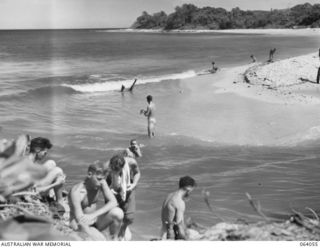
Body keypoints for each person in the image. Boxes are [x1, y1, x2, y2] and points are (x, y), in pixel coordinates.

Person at [68, 161, 123, 240]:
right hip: (79, 225)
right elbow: (80, 219)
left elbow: (114, 202)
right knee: (100, 240)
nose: (101, 182)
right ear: (89, 174)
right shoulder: (77, 192)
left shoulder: (100, 183)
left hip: (93, 221)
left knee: (118, 213)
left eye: (103, 179)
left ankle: (114, 240)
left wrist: (93, 215)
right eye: (99, 179)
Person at [105, 154, 141, 240]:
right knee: (113, 216)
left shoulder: (132, 162)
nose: (116, 173)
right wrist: (108, 191)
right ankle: (113, 237)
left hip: (128, 187)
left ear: (123, 166)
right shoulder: (106, 167)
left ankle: (123, 231)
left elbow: (137, 173)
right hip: (111, 188)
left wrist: (134, 184)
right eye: (114, 170)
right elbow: (102, 182)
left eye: (117, 171)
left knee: (129, 217)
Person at [28, 137, 65, 205]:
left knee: (51, 163)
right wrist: (56, 184)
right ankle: (60, 203)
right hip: (33, 194)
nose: (45, 155)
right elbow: (34, 192)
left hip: (35, 185)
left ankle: (55, 194)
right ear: (37, 149)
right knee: (58, 171)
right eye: (44, 153)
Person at [160, 176, 196, 240]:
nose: (190, 193)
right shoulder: (179, 202)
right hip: (170, 236)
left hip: (163, 233)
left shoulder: (169, 195)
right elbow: (179, 227)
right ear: (188, 188)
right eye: (191, 190)